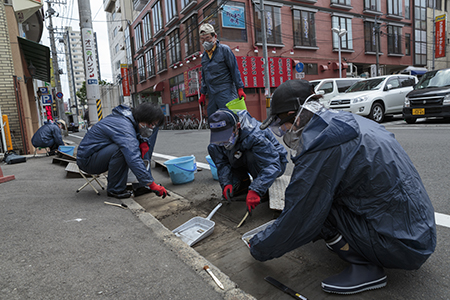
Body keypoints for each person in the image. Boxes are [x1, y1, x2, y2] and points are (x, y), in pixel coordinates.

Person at [249, 79, 436, 294]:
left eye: (281, 124)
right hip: (418, 229)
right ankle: (361, 245)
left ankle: (366, 269)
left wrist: (259, 247)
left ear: (297, 116)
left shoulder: (322, 144)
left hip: (401, 245)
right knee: (323, 196)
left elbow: (299, 213)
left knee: (318, 209)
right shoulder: (345, 121)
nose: (282, 130)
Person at [76, 103, 169, 200]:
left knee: (129, 149)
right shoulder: (124, 126)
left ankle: (138, 186)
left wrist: (142, 141)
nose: (151, 128)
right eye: (151, 124)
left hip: (96, 155)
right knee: (123, 150)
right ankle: (115, 189)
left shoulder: (127, 119)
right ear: (144, 119)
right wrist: (152, 184)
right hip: (88, 161)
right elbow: (132, 156)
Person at [207, 108, 288, 213]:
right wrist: (226, 182)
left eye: (226, 137)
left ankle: (262, 189)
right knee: (227, 153)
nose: (224, 142)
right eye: (220, 139)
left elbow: (272, 164)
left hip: (274, 163)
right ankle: (242, 183)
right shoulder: (216, 144)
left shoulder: (254, 135)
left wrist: (256, 190)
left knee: (250, 155)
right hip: (244, 156)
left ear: (238, 126)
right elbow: (222, 163)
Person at [198, 23, 246, 116]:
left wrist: (240, 88)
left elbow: (234, 69)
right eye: (202, 39)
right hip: (212, 94)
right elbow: (204, 76)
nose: (205, 42)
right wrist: (203, 94)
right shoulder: (204, 56)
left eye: (207, 38)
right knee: (213, 120)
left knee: (229, 118)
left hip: (225, 91)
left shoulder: (224, 50)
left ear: (214, 36)